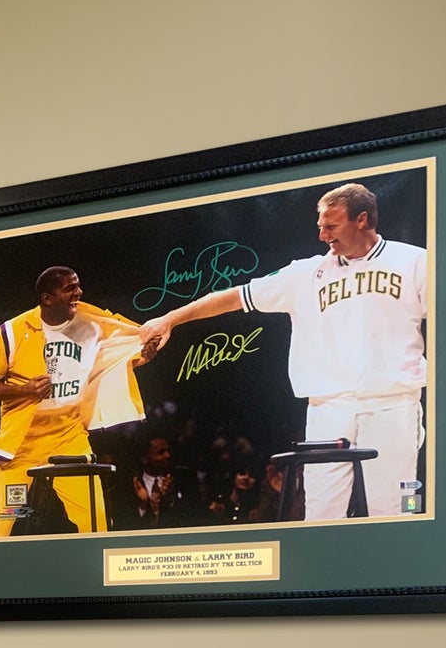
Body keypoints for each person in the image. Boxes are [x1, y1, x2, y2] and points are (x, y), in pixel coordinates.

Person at [137, 182, 427, 522]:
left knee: (393, 509)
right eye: (320, 226)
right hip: (327, 408)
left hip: (392, 403)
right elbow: (235, 296)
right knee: (320, 513)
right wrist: (172, 318)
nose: (322, 235)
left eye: (330, 226)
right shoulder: (305, 273)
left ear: (362, 220)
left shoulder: (415, 261)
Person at [0, 266, 152, 537]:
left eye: (78, 285)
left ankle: (94, 576)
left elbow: (127, 351)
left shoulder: (93, 324)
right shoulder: (11, 332)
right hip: (22, 443)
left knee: (96, 522)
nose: (79, 292)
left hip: (69, 436)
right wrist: (25, 390)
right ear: (47, 299)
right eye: (70, 288)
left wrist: (146, 351)